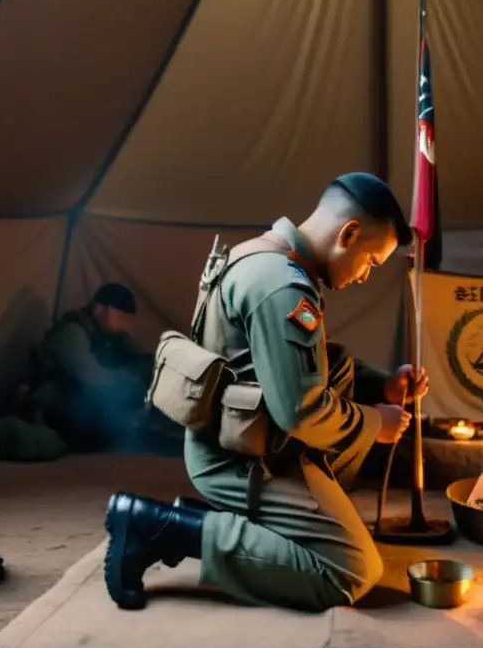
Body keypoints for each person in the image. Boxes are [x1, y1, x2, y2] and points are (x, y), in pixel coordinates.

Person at [103, 173, 428, 612]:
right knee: (349, 572)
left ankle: (204, 520)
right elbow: (301, 411)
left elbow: (297, 360)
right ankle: (163, 528)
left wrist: (380, 384)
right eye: (371, 261)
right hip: (240, 459)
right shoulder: (283, 284)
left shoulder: (264, 255)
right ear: (349, 234)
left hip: (244, 437)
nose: (366, 276)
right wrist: (377, 423)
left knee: (344, 539)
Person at [30, 283, 155, 452]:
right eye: (119, 317)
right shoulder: (71, 331)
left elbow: (144, 360)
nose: (123, 324)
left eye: (126, 319)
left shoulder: (111, 335)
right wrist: (130, 382)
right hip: (54, 405)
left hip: (84, 403)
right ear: (98, 309)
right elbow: (91, 376)